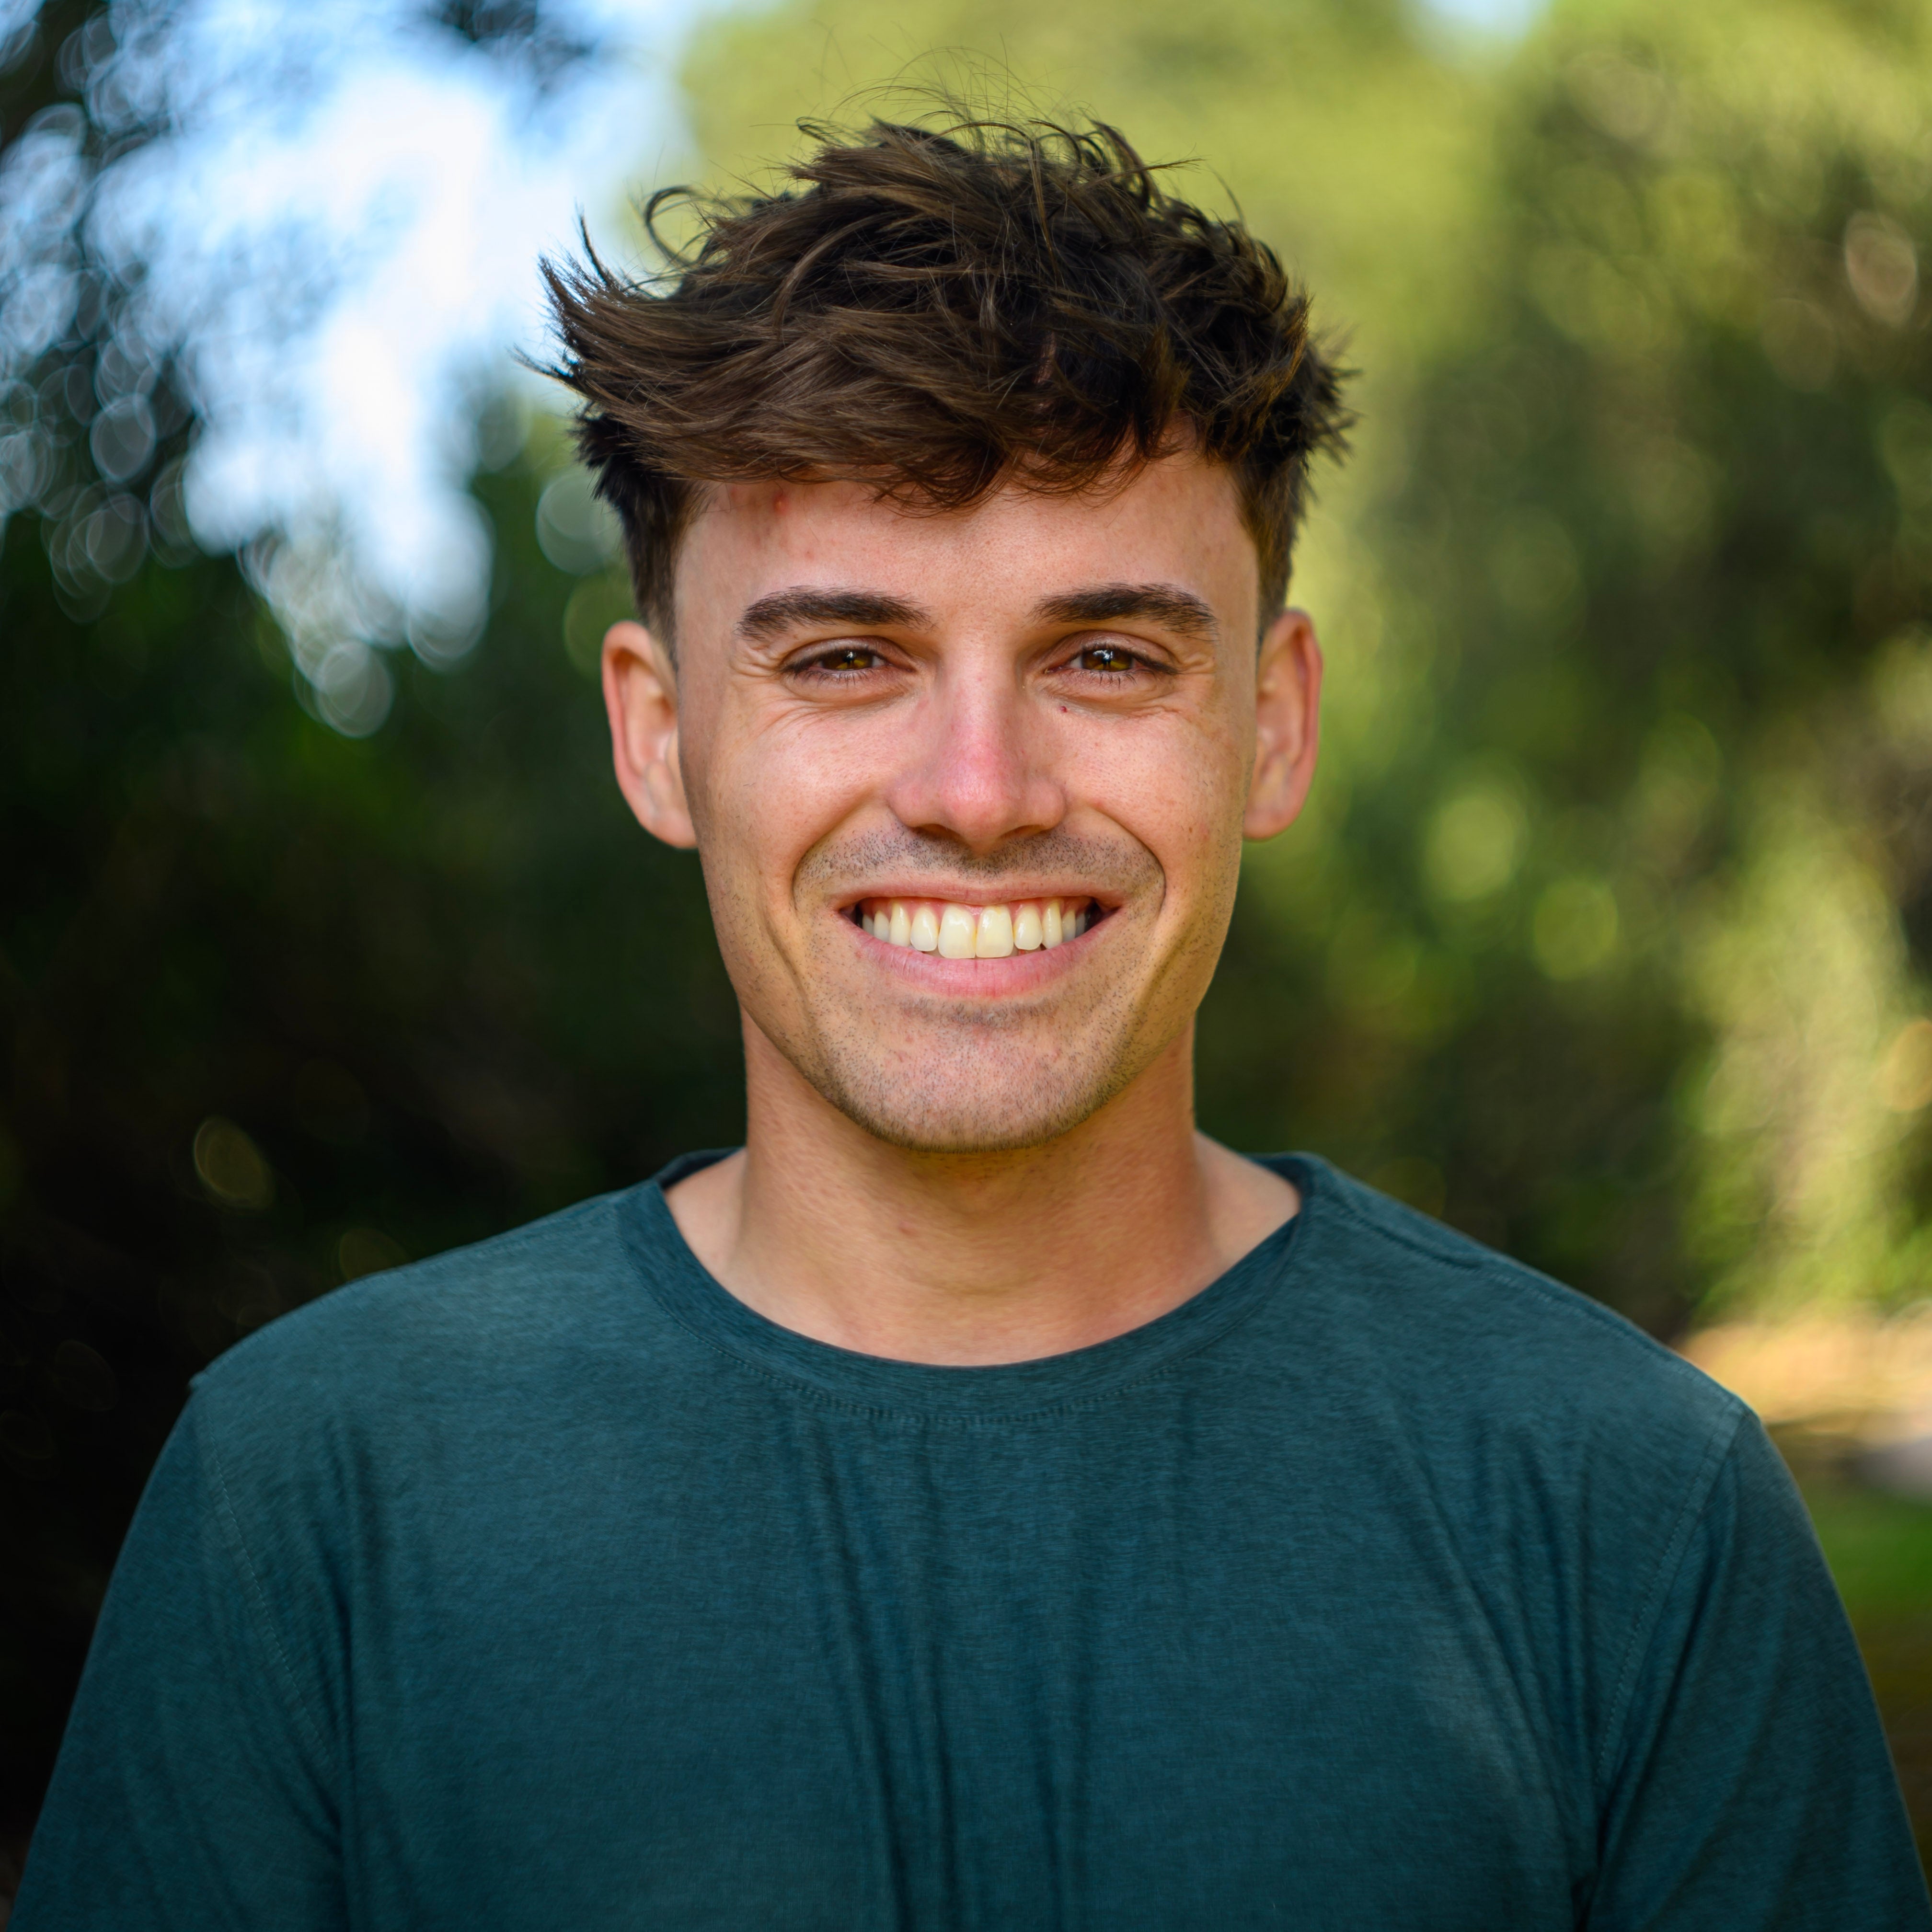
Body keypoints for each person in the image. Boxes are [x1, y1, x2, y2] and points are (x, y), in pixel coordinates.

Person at [13, 116, 1928, 1932]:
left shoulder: (1630, 1511)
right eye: (847, 658)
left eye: (1105, 657)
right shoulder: (317, 1500)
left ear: (1272, 720)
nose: (982, 785)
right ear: (658, 733)